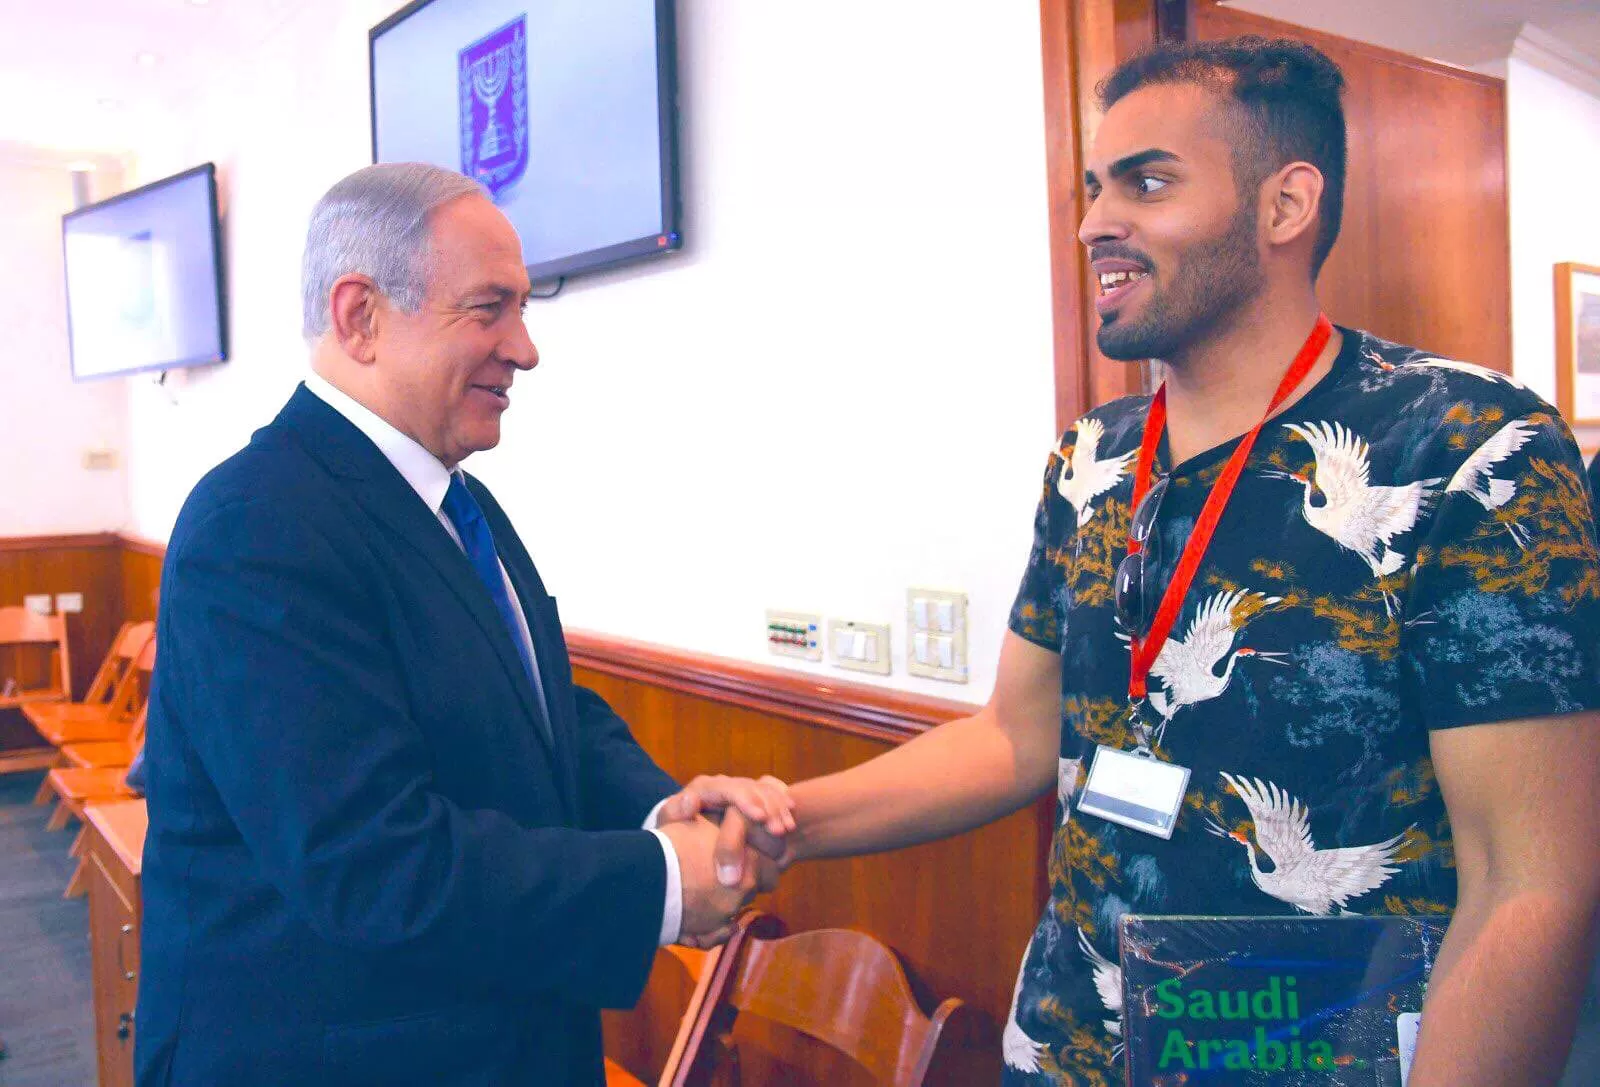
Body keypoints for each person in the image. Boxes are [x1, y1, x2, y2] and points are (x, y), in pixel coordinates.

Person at [726, 37, 1600, 1085]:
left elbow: (1527, 884)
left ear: (1285, 206)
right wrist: (786, 823)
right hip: (1067, 1047)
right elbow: (1013, 735)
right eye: (1095, 188)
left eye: (1147, 183)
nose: (1095, 222)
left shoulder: (1466, 445)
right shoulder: (1091, 459)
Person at [134, 163, 793, 1087]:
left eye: (523, 308)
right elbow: (372, 863)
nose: (526, 349)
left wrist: (659, 809)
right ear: (361, 316)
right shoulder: (255, 524)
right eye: (490, 309)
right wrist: (660, 880)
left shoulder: (456, 502)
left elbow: (537, 711)